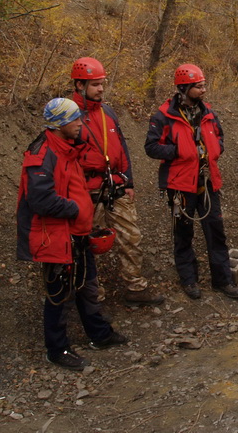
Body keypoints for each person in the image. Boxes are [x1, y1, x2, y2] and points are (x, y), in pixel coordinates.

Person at [16, 98, 128, 371]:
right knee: (59, 294)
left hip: (77, 233)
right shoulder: (42, 154)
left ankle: (99, 335)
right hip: (55, 237)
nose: (80, 123)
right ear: (60, 124)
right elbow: (40, 201)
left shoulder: (67, 148)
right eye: (75, 120)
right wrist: (77, 208)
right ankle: (57, 349)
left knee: (87, 287)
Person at [144, 64, 238, 301]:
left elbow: (219, 136)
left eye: (203, 85)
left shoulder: (208, 112)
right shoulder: (164, 116)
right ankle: (189, 279)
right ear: (184, 87)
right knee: (183, 233)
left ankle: (222, 280)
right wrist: (179, 150)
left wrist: (215, 150)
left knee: (216, 231)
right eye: (199, 86)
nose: (203, 90)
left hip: (208, 182)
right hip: (180, 185)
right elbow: (151, 147)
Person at [71, 57, 164, 307]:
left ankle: (135, 287)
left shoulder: (107, 112)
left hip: (115, 187)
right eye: (95, 84)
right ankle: (93, 295)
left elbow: (122, 147)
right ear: (79, 85)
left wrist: (129, 182)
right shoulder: (69, 115)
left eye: (102, 83)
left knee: (131, 237)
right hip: (85, 191)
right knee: (90, 244)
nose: (101, 88)